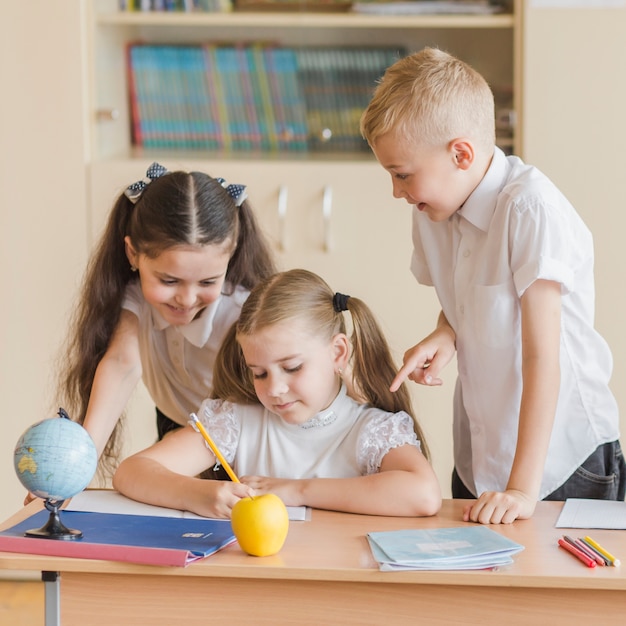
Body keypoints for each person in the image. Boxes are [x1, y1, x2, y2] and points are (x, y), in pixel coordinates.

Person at [360, 47, 625, 524]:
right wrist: (447, 333)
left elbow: (542, 355)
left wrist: (522, 491)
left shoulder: (529, 209)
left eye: (402, 174)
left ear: (460, 154)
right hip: (483, 455)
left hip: (563, 462)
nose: (397, 192)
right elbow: (466, 301)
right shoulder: (435, 209)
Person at [113, 269, 442, 518]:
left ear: (338, 353)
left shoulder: (369, 430)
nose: (274, 389)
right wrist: (198, 494)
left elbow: (423, 494)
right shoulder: (236, 422)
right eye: (259, 373)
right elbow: (132, 472)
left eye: (293, 367)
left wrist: (297, 490)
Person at [55, 162, 277, 475]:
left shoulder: (242, 312)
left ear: (231, 254)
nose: (186, 300)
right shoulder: (133, 299)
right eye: (169, 281)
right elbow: (121, 363)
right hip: (179, 427)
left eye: (207, 282)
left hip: (248, 442)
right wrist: (77, 467)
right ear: (133, 254)